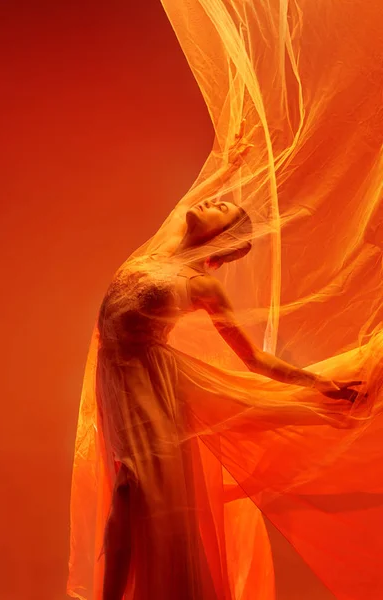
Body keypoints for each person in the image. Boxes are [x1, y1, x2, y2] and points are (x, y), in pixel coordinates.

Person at [92, 126, 367, 600]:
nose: (209, 203)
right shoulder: (160, 251)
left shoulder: (202, 285)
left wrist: (316, 381)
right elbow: (199, 193)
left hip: (154, 392)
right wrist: (234, 161)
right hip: (121, 382)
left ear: (222, 239)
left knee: (133, 491)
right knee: (130, 495)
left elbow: (254, 357)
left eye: (222, 210)